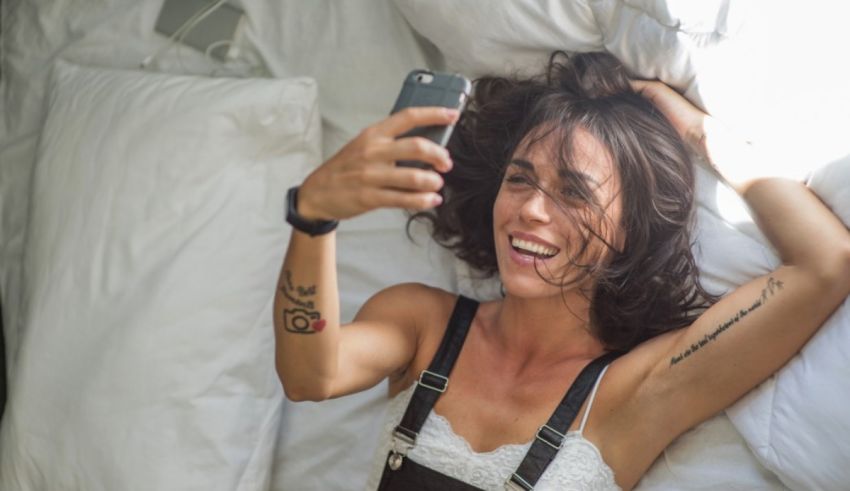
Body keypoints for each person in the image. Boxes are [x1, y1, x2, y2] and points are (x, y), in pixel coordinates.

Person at [273, 52, 850, 490]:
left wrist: (695, 130)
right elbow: (309, 376)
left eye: (575, 193)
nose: (531, 209)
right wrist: (314, 220)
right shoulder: (421, 322)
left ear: (630, 230)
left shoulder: (634, 392)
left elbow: (826, 263)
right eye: (521, 178)